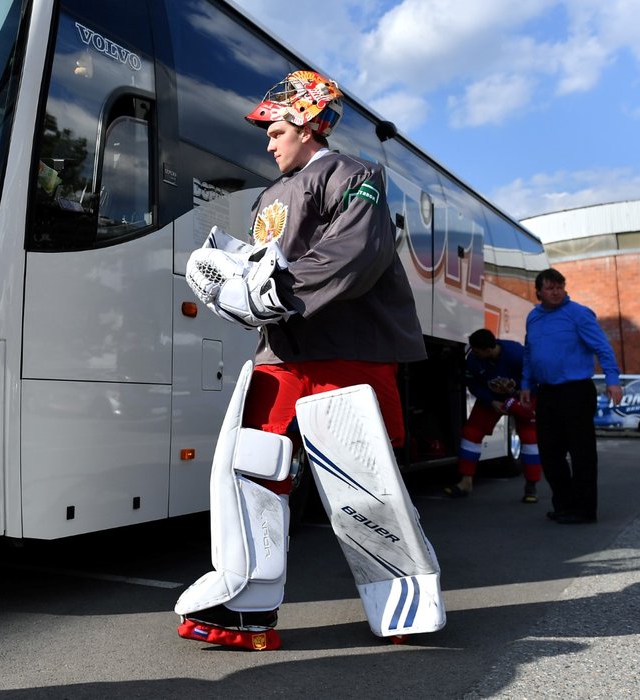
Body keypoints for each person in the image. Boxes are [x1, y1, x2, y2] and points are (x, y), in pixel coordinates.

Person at [178, 70, 429, 650]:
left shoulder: (355, 173)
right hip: (283, 350)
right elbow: (274, 263)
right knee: (251, 471)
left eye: (277, 128)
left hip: (349, 349)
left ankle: (407, 605)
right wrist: (231, 276)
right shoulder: (269, 195)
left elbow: (358, 252)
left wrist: (272, 293)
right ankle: (246, 606)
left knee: (362, 482)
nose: (268, 141)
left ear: (311, 125)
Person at [520, 268, 622, 525]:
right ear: (539, 292)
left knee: (581, 453)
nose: (556, 293)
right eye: (550, 288)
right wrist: (525, 384)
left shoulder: (578, 314)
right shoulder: (533, 318)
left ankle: (585, 510)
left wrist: (613, 381)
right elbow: (530, 353)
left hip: (575, 391)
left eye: (560, 287)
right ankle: (564, 505)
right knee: (550, 453)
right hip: (547, 393)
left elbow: (602, 347)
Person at [446, 328, 541, 503]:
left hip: (521, 398)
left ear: (488, 350)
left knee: (529, 437)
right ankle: (466, 481)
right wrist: (491, 401)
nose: (473, 354)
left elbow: (534, 378)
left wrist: (518, 400)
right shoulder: (474, 360)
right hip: (492, 400)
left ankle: (531, 485)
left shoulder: (516, 355)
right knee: (471, 433)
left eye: (476, 351)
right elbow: (472, 383)